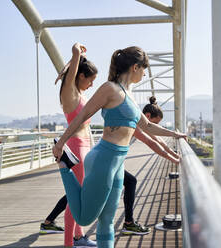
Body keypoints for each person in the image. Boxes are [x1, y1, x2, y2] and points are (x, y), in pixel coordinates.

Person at [53, 46, 187, 248]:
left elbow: (148, 126)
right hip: (103, 160)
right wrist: (62, 142)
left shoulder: (129, 94)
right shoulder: (110, 89)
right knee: (84, 218)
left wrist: (176, 137)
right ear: (135, 67)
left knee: (106, 222)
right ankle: (64, 166)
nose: (144, 73)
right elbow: (83, 114)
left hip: (117, 165)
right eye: (144, 69)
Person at [40, 43, 97, 248]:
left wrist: (77, 58)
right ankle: (69, 244)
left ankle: (78, 237)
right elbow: (73, 65)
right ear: (80, 76)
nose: (92, 85)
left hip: (83, 147)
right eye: (90, 80)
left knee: (78, 195)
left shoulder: (79, 94)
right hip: (76, 147)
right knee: (76, 199)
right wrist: (75, 51)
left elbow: (74, 67)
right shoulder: (69, 93)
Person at [121, 96, 180, 235]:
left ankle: (128, 223)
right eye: (155, 124)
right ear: (147, 116)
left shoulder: (138, 123)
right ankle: (128, 223)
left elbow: (158, 140)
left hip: (111, 160)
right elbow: (152, 143)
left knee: (84, 190)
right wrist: (174, 160)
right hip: (107, 159)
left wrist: (175, 155)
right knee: (129, 182)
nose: (155, 128)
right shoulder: (135, 124)